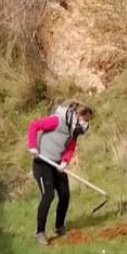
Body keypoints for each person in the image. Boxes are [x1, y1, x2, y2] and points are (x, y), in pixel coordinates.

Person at [27, 103, 94, 245]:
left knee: (64, 194)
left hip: (57, 164)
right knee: (48, 195)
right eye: (84, 119)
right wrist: (33, 146)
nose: (85, 123)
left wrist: (64, 162)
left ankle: (59, 226)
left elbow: (70, 147)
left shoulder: (74, 131)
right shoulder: (57, 121)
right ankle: (40, 232)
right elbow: (34, 126)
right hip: (42, 163)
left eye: (87, 121)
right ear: (77, 115)